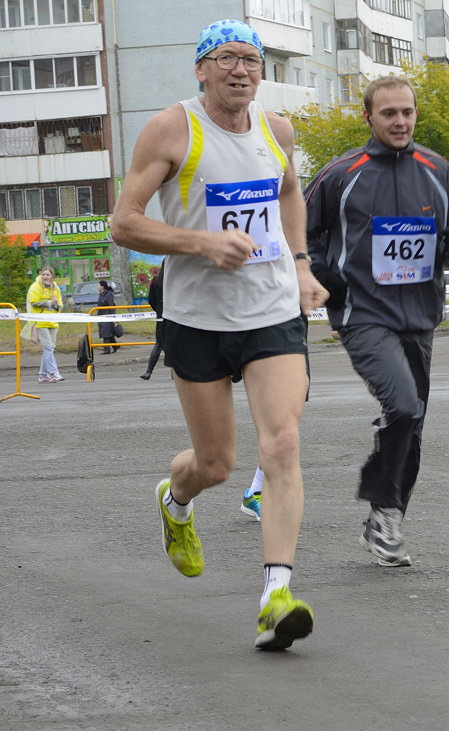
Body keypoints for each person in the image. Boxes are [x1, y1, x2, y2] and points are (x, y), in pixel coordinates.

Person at [110, 19, 328, 651]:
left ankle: (276, 595)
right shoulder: (171, 129)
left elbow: (289, 192)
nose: (242, 71)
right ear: (201, 70)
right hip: (197, 317)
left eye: (253, 61)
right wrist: (200, 242)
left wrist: (300, 263)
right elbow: (124, 223)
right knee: (216, 464)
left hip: (271, 310)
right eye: (228, 59)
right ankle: (174, 501)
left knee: (282, 442)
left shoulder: (276, 129)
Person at [303, 74, 449, 568]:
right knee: (404, 407)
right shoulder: (341, 174)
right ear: (368, 117)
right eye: (389, 113)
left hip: (420, 316)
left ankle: (387, 519)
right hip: (362, 313)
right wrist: (328, 280)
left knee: (413, 422)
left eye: (407, 112)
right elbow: (301, 233)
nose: (401, 121)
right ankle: (383, 506)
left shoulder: (436, 169)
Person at [26, 266, 64, 383]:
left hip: (53, 322)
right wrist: (49, 303)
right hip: (41, 321)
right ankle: (54, 373)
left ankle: (42, 375)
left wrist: (56, 304)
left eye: (47, 275)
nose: (45, 277)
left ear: (52, 276)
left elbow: (60, 305)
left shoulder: (55, 288)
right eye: (43, 275)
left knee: (49, 349)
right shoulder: (35, 286)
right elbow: (33, 303)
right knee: (48, 347)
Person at [140, 267, 169, 379]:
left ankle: (148, 372)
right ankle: (175, 373)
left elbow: (151, 300)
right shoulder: (172, 280)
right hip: (174, 313)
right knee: (175, 343)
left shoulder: (156, 280)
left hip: (161, 312)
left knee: (158, 344)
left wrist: (158, 309)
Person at [96, 280, 118, 354]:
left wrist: (113, 317)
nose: (97, 287)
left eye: (98, 285)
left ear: (102, 286)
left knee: (106, 332)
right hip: (101, 316)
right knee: (106, 332)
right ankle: (115, 346)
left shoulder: (108, 294)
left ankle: (107, 349)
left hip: (107, 315)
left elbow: (111, 306)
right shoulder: (101, 294)